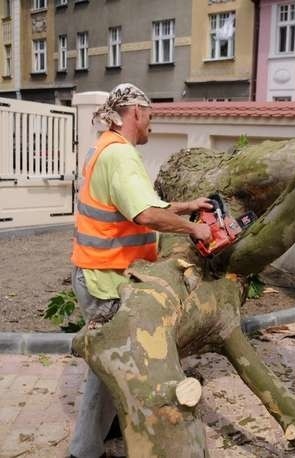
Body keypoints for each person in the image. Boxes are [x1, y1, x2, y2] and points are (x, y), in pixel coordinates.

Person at [68, 83, 212, 458]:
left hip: (98, 272)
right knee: (108, 369)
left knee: (114, 364)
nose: (152, 122)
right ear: (135, 113)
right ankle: (82, 452)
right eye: (150, 115)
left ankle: (112, 425)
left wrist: (185, 206)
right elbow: (145, 215)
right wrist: (195, 228)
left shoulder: (105, 147)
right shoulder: (121, 156)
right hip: (106, 281)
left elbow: (143, 202)